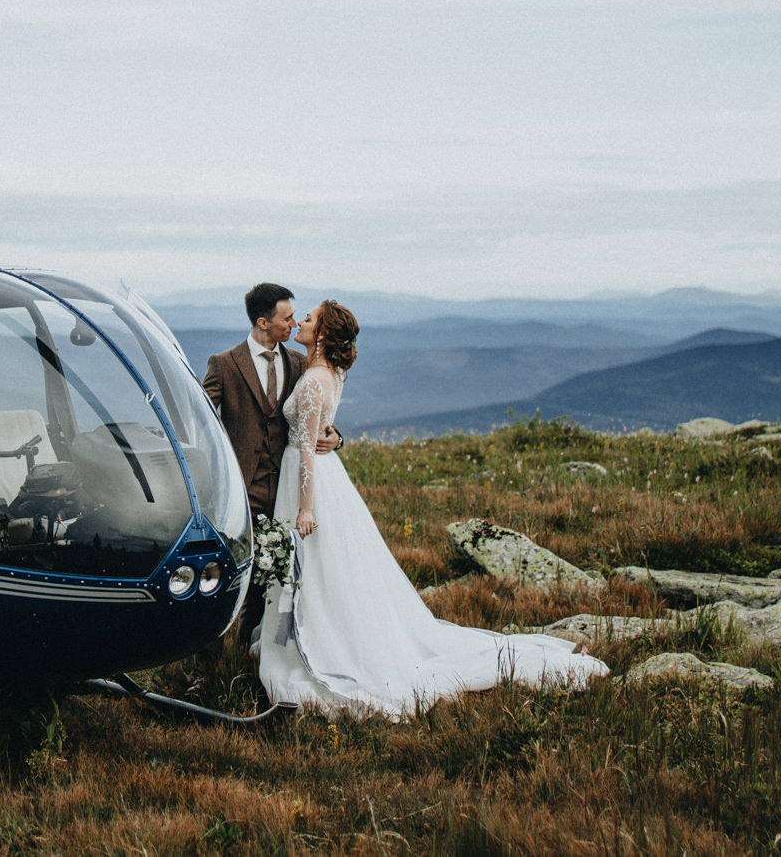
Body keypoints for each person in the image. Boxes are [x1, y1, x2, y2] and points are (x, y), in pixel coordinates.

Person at [258, 299, 609, 718]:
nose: (301, 322)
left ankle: (322, 644)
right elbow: (321, 433)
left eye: (309, 319)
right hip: (315, 475)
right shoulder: (327, 373)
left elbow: (312, 447)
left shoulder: (315, 379)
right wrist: (332, 440)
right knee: (325, 568)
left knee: (317, 564)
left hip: (310, 482)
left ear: (323, 336)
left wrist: (306, 509)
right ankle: (303, 635)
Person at [201, 282, 342, 647]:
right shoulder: (224, 364)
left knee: (271, 579)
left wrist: (337, 437)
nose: (294, 324)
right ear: (263, 322)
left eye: (297, 317)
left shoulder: (299, 362)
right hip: (239, 490)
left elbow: (319, 408)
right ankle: (209, 658)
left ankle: (254, 653)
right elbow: (199, 419)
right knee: (229, 573)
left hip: (285, 490)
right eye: (287, 317)